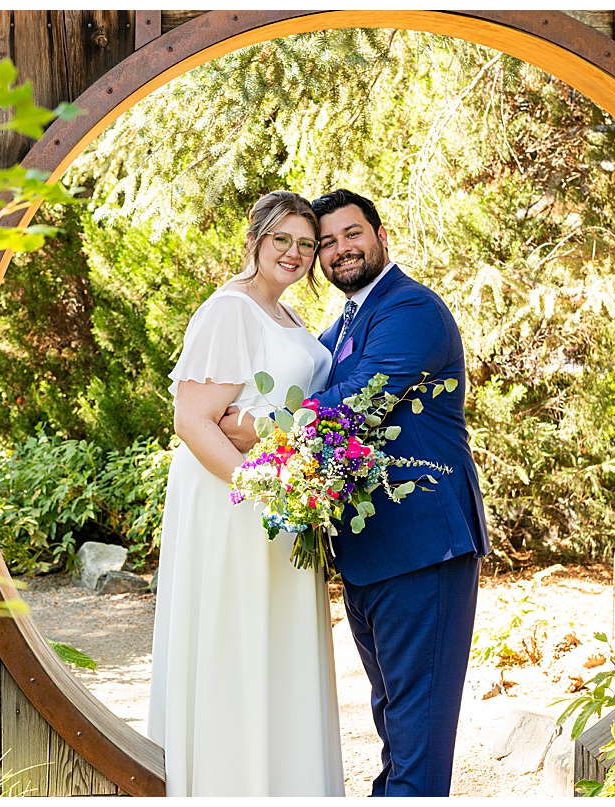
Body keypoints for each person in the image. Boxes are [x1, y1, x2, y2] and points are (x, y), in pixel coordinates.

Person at [221, 189, 490, 797]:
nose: (340, 249)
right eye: (328, 242)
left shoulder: (412, 310)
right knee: (393, 716)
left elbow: (358, 403)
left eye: (352, 234)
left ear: (381, 235)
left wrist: (256, 426)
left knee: (417, 727)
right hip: (369, 550)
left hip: (424, 546)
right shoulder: (341, 323)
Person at [147, 190, 345, 796]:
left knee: (278, 648)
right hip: (234, 501)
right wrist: (263, 489)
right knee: (235, 638)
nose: (295, 253)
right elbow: (193, 421)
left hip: (284, 497)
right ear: (256, 239)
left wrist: (291, 472)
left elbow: (281, 412)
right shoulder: (229, 310)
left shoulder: (285, 315)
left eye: (306, 245)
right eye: (281, 239)